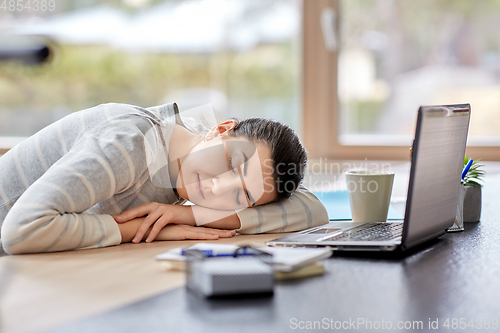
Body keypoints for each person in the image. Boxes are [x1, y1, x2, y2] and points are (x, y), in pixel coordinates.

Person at [0, 102, 328, 255]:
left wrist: (189, 215)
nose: (218, 188)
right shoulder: (133, 145)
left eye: (241, 195)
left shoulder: (181, 171)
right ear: (221, 129)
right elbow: (20, 231)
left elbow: (314, 210)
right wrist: (140, 232)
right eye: (231, 163)